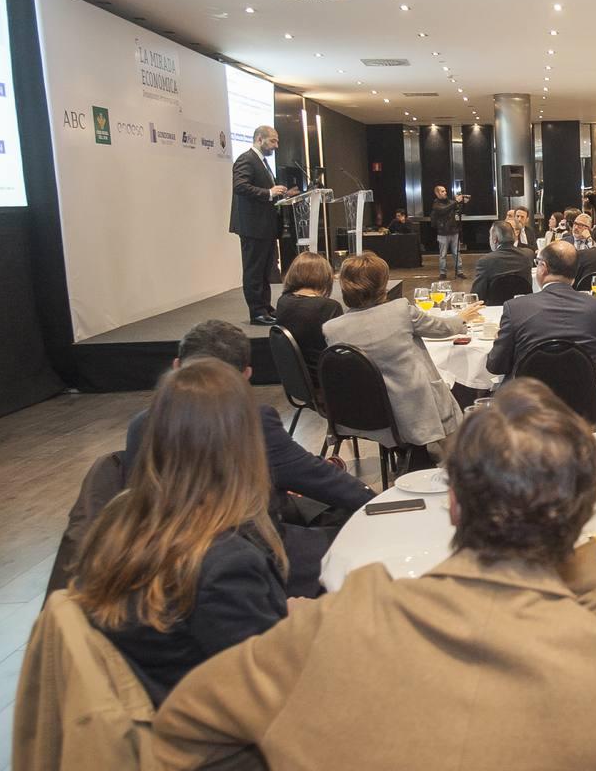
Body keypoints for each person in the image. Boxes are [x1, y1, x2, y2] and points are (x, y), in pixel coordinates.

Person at [151, 380, 596, 771]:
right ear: (583, 516)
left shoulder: (341, 623)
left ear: (453, 504)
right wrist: (579, 551)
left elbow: (181, 725)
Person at [68, 359, 288, 706]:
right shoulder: (223, 564)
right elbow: (271, 694)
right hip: (213, 745)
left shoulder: (116, 523)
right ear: (242, 445)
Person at [122, 320, 372, 598]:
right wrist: (380, 502)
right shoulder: (248, 421)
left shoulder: (139, 425)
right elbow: (319, 478)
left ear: (177, 365)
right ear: (245, 375)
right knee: (361, 549)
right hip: (244, 551)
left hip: (153, 557)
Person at [324, 253, 479, 455]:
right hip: (412, 410)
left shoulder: (331, 329)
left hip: (363, 414)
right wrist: (462, 317)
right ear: (382, 284)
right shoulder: (400, 310)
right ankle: (460, 461)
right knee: (433, 379)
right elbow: (442, 328)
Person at [487, 241, 596, 376]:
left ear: (543, 267)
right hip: (583, 394)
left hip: (528, 395)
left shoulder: (516, 308)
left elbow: (496, 366)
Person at [230, 125, 292, 325]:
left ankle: (265, 307)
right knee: (254, 270)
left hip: (265, 226)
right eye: (273, 141)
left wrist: (282, 194)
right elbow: (240, 186)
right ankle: (256, 311)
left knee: (265, 270)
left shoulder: (262, 162)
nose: (276, 145)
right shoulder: (246, 159)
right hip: (252, 225)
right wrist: (269, 193)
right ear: (259, 139)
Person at [274, 251, 342, 382]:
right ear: (324, 276)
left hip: (297, 378)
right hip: (324, 378)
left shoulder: (282, 301)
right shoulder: (328, 306)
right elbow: (339, 348)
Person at [471, 220, 534, 299]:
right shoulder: (528, 254)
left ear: (495, 239)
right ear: (514, 237)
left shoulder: (485, 261)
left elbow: (477, 295)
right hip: (522, 306)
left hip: (494, 308)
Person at [429, 185, 467, 278]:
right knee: (443, 254)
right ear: (437, 193)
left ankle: (459, 271)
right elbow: (443, 210)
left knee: (456, 252)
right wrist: (455, 202)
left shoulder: (450, 202)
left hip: (454, 231)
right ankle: (442, 273)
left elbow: (458, 210)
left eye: (445, 190)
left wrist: (463, 203)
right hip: (442, 232)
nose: (445, 192)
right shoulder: (436, 204)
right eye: (442, 191)